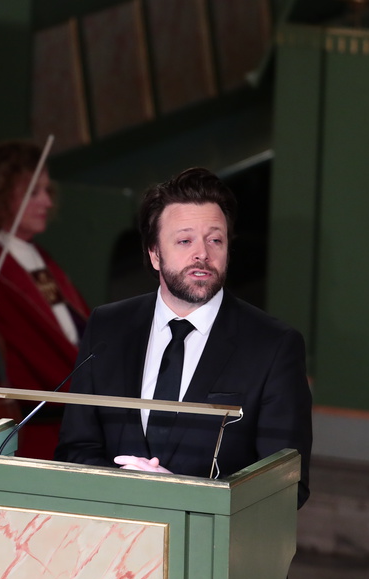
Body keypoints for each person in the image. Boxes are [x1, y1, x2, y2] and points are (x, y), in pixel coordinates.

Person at [55, 167, 312, 507]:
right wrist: (126, 488)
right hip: (112, 530)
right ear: (154, 254)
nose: (202, 253)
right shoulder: (108, 326)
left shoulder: (274, 345)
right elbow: (75, 449)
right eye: (185, 241)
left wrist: (186, 497)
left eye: (215, 240)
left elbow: (287, 487)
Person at [0, 140, 90, 460]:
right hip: (41, 425)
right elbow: (34, 353)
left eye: (46, 191)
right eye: (33, 192)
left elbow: (75, 328)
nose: (47, 201)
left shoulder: (38, 255)